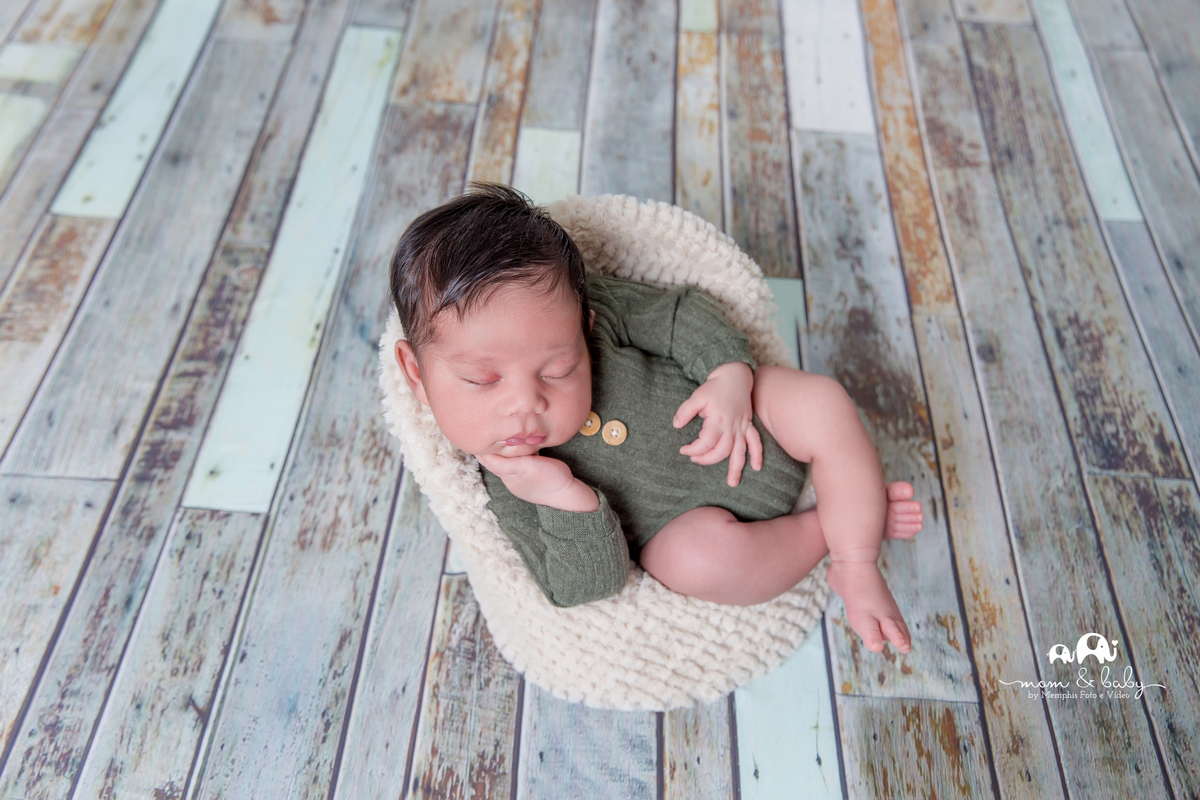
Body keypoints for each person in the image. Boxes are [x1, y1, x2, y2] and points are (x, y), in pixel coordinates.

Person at [390, 184, 923, 654]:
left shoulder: (598, 313)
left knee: (821, 402)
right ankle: (828, 529)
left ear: (584, 324)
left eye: (558, 369)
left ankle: (856, 559)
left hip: (751, 416)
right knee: (692, 563)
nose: (526, 404)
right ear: (416, 373)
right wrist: (562, 497)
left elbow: (678, 313)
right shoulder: (510, 484)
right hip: (696, 527)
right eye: (483, 381)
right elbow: (578, 587)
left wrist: (727, 375)